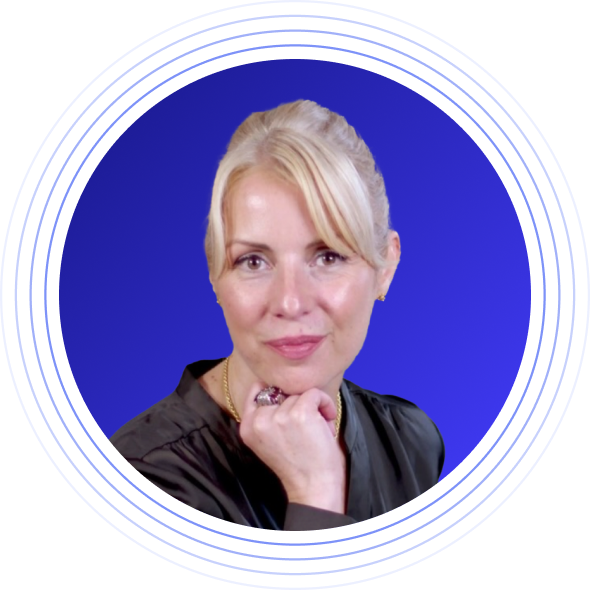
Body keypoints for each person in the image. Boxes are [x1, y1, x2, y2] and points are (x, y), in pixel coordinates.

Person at [110, 100, 444, 530]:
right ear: (214, 275)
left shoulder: (412, 442)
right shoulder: (145, 474)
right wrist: (315, 494)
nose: (289, 301)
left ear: (386, 268)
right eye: (253, 261)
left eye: (328, 256)